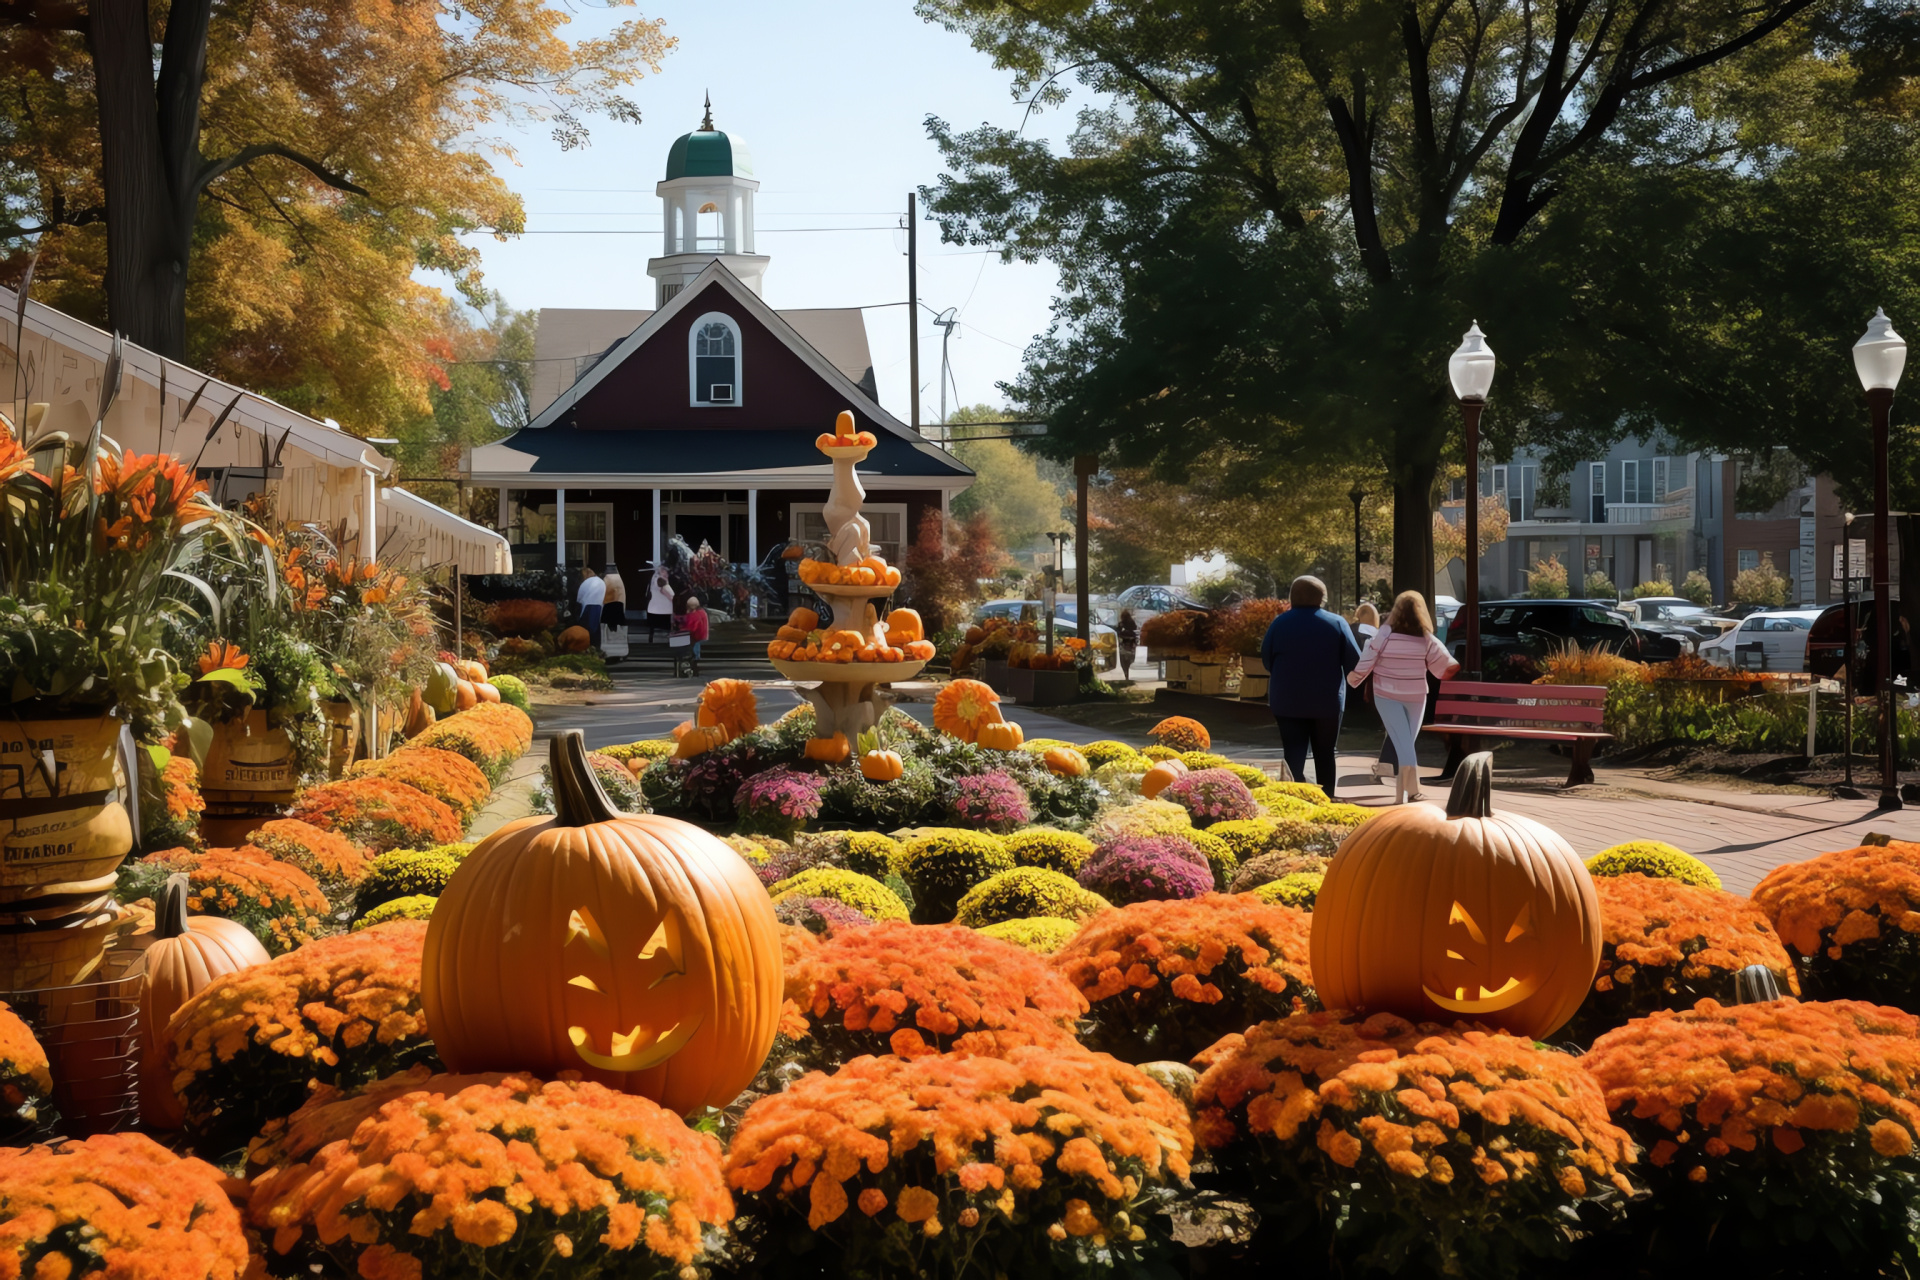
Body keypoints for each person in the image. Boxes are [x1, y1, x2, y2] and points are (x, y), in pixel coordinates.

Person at [1349, 591, 1462, 803]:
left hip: (1386, 695)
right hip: (1417, 695)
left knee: (1404, 744)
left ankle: (1405, 793)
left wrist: (1353, 679)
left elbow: (1368, 659)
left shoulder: (1384, 634)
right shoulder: (1425, 637)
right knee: (1406, 742)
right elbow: (1447, 665)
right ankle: (1409, 792)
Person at [1261, 576, 1360, 797]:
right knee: (1325, 752)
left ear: (1292, 597)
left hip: (1286, 700)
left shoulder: (1279, 623)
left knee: (1293, 751)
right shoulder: (1337, 623)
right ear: (1322, 598)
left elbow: (1266, 660)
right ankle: (1327, 798)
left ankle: (1292, 798)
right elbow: (1355, 662)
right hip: (1326, 702)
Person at [575, 566, 606, 650]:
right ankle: (596, 647)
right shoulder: (600, 581)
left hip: (587, 605)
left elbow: (579, 597)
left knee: (586, 628)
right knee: (595, 628)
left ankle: (586, 646)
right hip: (598, 605)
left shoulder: (585, 583)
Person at [646, 566, 675, 643]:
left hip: (653, 609)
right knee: (669, 627)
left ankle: (651, 640)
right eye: (665, 573)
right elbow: (671, 596)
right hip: (664, 611)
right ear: (661, 572)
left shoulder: (653, 580)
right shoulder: (662, 582)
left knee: (653, 628)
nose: (667, 575)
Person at [683, 595, 710, 675]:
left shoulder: (694, 614)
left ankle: (695, 659)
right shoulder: (702, 612)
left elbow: (691, 628)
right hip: (703, 636)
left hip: (697, 637)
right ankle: (695, 658)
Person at [1116, 609, 1139, 682]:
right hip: (1131, 644)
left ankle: (1126, 673)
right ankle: (1127, 672)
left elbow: (1118, 632)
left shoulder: (1121, 624)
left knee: (1123, 660)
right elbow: (1135, 629)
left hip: (1124, 643)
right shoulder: (1132, 623)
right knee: (1129, 659)